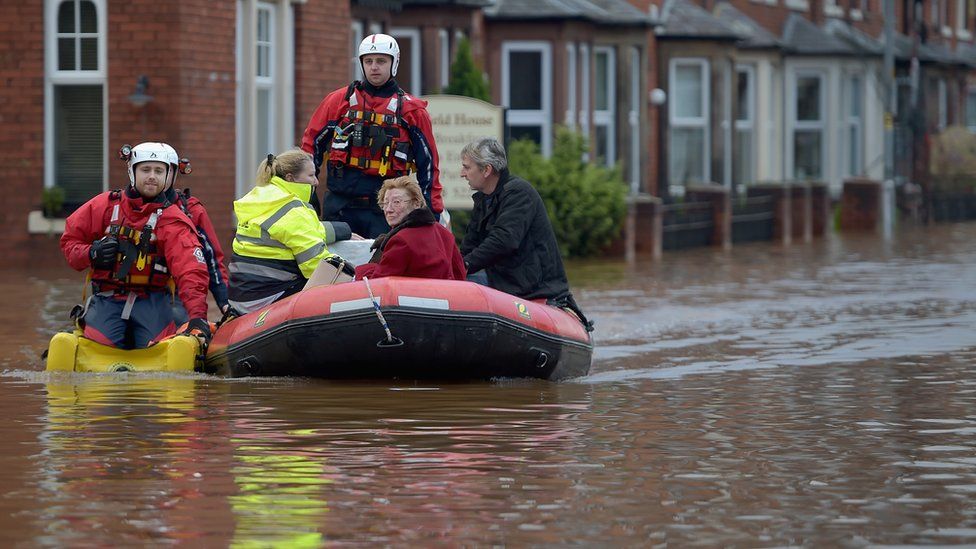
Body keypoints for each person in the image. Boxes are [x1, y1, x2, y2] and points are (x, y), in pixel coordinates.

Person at [60, 142, 212, 349]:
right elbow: (70, 242)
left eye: (159, 171)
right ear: (132, 171)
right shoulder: (103, 206)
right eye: (145, 169)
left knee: (156, 345)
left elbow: (191, 270)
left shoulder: (173, 219)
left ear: (168, 176)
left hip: (153, 301)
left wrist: (197, 317)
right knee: (99, 344)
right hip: (107, 299)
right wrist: (92, 252)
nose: (152, 176)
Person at [301, 33, 443, 238]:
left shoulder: (411, 111)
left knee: (382, 267)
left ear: (394, 63)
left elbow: (428, 167)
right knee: (337, 267)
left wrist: (431, 213)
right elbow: (309, 147)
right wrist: (306, 195)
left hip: (387, 212)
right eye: (368, 61)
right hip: (340, 207)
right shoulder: (337, 102)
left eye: (381, 61)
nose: (374, 67)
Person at [458, 137, 591, 329]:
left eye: (467, 167)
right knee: (459, 281)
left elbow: (504, 240)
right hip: (503, 279)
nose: (462, 173)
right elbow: (469, 245)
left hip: (530, 286)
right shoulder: (484, 201)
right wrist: (453, 267)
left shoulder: (519, 193)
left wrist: (465, 266)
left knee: (467, 281)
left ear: (486, 170)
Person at [228, 149, 350, 313]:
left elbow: (292, 233)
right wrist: (356, 276)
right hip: (267, 298)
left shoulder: (262, 198)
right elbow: (316, 264)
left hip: (241, 296)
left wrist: (342, 230)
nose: (316, 182)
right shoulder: (293, 208)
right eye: (311, 175)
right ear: (291, 178)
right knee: (335, 277)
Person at [355, 176, 466, 281]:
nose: (388, 209)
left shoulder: (401, 240)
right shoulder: (444, 233)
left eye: (396, 202)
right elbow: (460, 276)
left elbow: (377, 283)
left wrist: (361, 270)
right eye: (385, 202)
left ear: (416, 203)